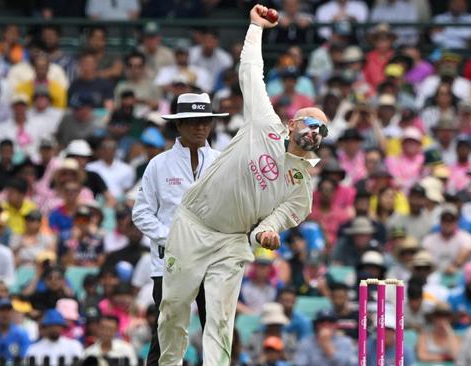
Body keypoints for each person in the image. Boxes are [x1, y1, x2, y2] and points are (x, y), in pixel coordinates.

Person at [156, 6, 329, 365]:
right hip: (193, 224)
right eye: (311, 123)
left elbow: (273, 222)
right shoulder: (264, 123)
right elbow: (251, 72)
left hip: (232, 242)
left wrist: (265, 234)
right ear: (293, 122)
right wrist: (255, 28)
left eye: (322, 130)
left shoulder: (301, 189)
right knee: (173, 308)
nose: (315, 132)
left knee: (220, 319)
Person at [132, 91, 222, 366]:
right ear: (179, 125)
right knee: (167, 332)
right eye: (194, 121)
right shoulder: (159, 165)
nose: (201, 127)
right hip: (170, 262)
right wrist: (172, 238)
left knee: (216, 331)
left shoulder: (222, 161)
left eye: (205, 121)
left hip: (212, 260)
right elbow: (141, 212)